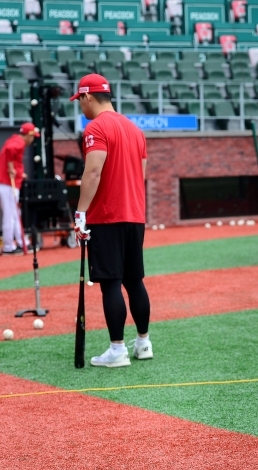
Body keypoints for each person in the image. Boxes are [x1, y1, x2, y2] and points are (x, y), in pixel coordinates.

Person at [70, 73, 153, 368]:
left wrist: (80, 212)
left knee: (111, 283)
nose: (80, 106)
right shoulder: (135, 130)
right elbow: (140, 174)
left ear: (87, 97)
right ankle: (143, 343)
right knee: (135, 281)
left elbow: (93, 172)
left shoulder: (96, 127)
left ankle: (117, 349)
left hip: (106, 215)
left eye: (80, 100)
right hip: (134, 214)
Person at [0, 122, 38, 255]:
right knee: (11, 215)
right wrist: (11, 168)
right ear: (29, 135)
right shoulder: (19, 142)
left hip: (8, 183)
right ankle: (8, 247)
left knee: (15, 214)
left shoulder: (15, 139)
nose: (33, 140)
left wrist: (18, 171)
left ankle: (22, 243)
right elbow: (10, 150)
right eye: (33, 137)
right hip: (8, 184)